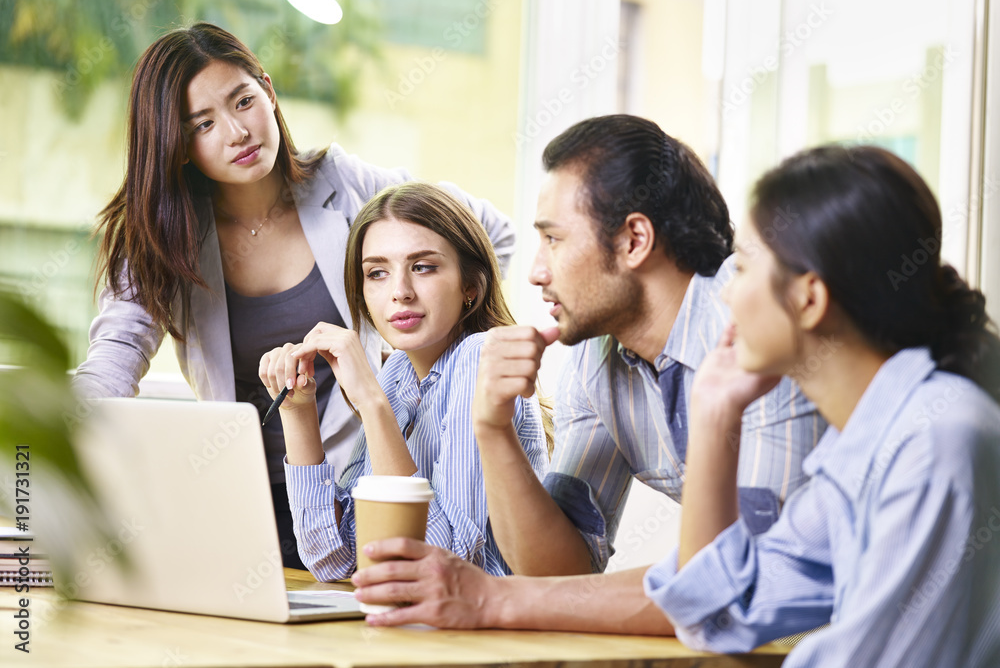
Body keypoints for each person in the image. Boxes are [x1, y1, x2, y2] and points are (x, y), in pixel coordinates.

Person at [350, 114, 822, 633]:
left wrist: (493, 599)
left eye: (553, 239)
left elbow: (742, 583)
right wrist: (492, 428)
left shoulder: (757, 325)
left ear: (634, 240)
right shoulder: (596, 357)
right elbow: (560, 570)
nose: (536, 271)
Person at [72, 23, 515, 569]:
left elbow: (492, 234)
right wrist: (43, 429)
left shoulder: (346, 183)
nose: (236, 132)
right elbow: (113, 363)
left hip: (359, 494)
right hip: (242, 498)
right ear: (175, 144)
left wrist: (424, 367)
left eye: (243, 101)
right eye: (203, 124)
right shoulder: (162, 237)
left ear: (269, 91)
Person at [645, 145, 1000, 665]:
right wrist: (714, 412)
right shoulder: (862, 446)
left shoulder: (934, 441)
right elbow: (716, 616)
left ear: (808, 299)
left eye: (742, 268)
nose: (725, 296)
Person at [258, 183, 549, 579]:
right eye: (377, 273)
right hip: (423, 626)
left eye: (423, 266)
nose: (399, 292)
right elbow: (334, 559)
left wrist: (372, 404)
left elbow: (445, 562)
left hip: (496, 632)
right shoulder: (398, 374)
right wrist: (298, 413)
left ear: (470, 286)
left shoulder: (482, 358)